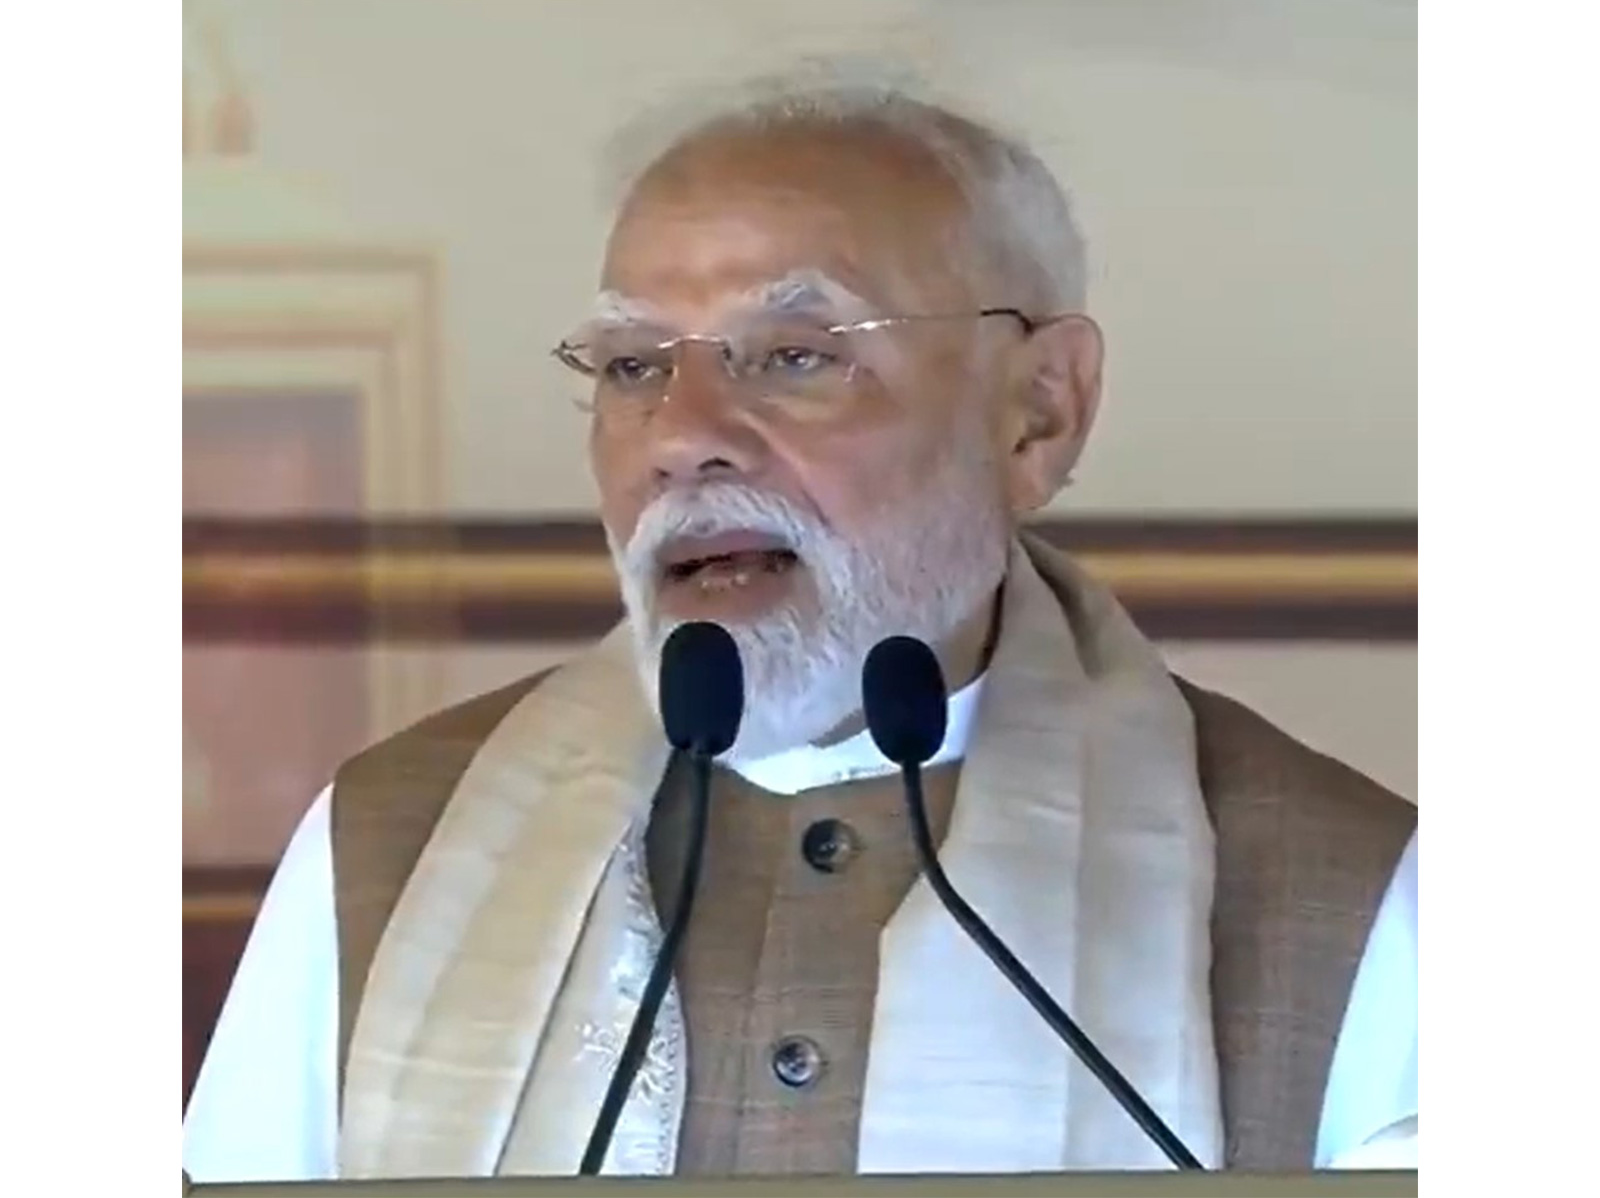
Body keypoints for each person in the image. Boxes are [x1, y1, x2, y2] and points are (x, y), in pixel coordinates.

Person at [182, 69, 1417, 1183]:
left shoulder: (1345, 893)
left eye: (793, 355)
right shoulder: (388, 846)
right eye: (630, 366)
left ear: (1038, 413)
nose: (680, 436)